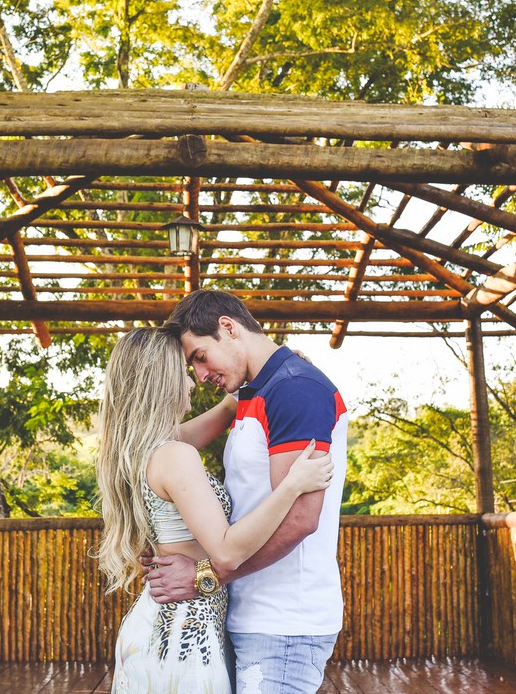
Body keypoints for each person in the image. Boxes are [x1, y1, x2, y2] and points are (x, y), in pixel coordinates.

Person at [95, 328, 334, 694]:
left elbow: (226, 409)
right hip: (184, 639)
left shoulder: (143, 450)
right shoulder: (175, 455)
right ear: (161, 381)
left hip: (166, 629)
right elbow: (227, 551)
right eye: (184, 370)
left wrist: (273, 368)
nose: (194, 381)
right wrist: (292, 486)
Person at [147, 289, 349, 694]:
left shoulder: (294, 389)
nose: (200, 375)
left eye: (200, 356)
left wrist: (205, 576)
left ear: (228, 327)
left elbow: (300, 519)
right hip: (250, 614)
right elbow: (159, 448)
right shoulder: (255, 391)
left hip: (284, 622)